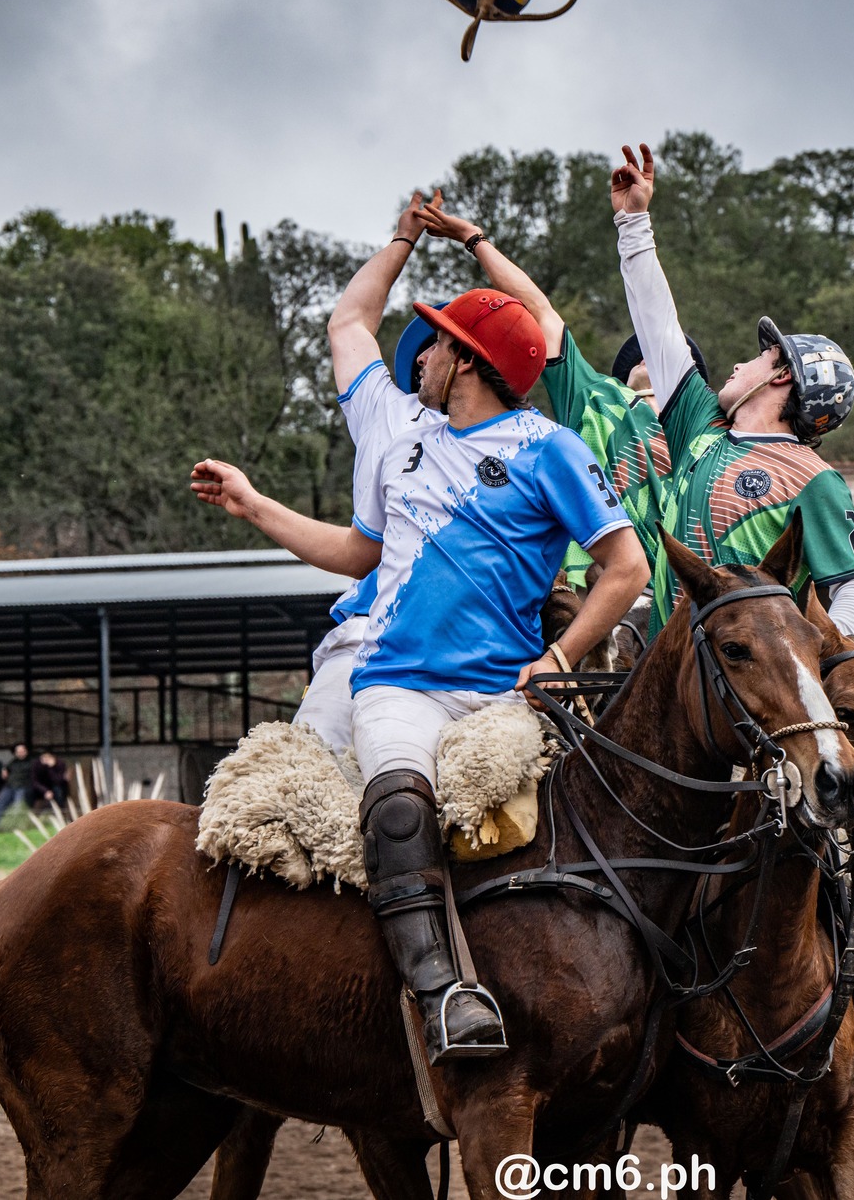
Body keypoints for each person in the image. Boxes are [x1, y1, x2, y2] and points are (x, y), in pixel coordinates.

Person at [208, 192, 650, 1062]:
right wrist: (255, 506)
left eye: (439, 341)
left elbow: (626, 565)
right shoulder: (404, 441)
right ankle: (443, 995)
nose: (425, 353)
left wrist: (560, 656)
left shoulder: (550, 446)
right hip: (397, 681)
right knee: (399, 807)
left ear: (469, 361)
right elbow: (357, 552)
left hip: (506, 690)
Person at [191, 196, 454, 768]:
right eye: (433, 340)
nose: (434, 353)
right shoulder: (389, 413)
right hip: (369, 638)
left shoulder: (528, 442)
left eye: (449, 338)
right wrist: (403, 239)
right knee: (294, 784)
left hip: (479, 655)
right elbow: (348, 323)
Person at [608, 143, 854, 637]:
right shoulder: (701, 423)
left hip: (751, 680)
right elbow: (658, 325)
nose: (738, 363)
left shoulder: (815, 477)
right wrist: (633, 222)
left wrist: (816, 655)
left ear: (783, 377)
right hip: (669, 667)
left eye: (761, 357)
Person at [409, 196, 706, 616]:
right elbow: (537, 310)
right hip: (595, 598)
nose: (647, 357)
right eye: (638, 353)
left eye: (664, 358)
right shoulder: (598, 398)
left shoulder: (707, 433)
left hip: (685, 606)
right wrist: (474, 239)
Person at [0, 743, 35, 826]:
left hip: (23, 786)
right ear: (15, 753)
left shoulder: (32, 762)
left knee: (18, 805)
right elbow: (5, 772)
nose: (20, 753)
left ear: (26, 751)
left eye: (22, 751)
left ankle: (16, 824)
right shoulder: (13, 762)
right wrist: (4, 772)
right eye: (18, 751)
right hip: (9, 786)